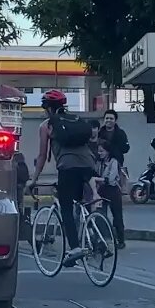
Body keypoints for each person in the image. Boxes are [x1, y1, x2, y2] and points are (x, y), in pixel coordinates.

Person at [28, 89, 97, 266]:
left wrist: (34, 179)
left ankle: (74, 248)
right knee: (81, 203)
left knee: (65, 207)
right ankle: (96, 238)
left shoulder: (47, 125)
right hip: (88, 164)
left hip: (68, 166)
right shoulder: (75, 120)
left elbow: (42, 156)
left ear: (47, 108)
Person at [91, 141, 126, 248]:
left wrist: (97, 179)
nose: (100, 153)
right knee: (100, 215)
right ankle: (102, 239)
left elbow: (111, 179)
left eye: (102, 151)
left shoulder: (113, 162)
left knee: (117, 216)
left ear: (108, 151)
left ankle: (120, 240)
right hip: (102, 190)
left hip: (113, 191)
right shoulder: (98, 162)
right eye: (99, 151)